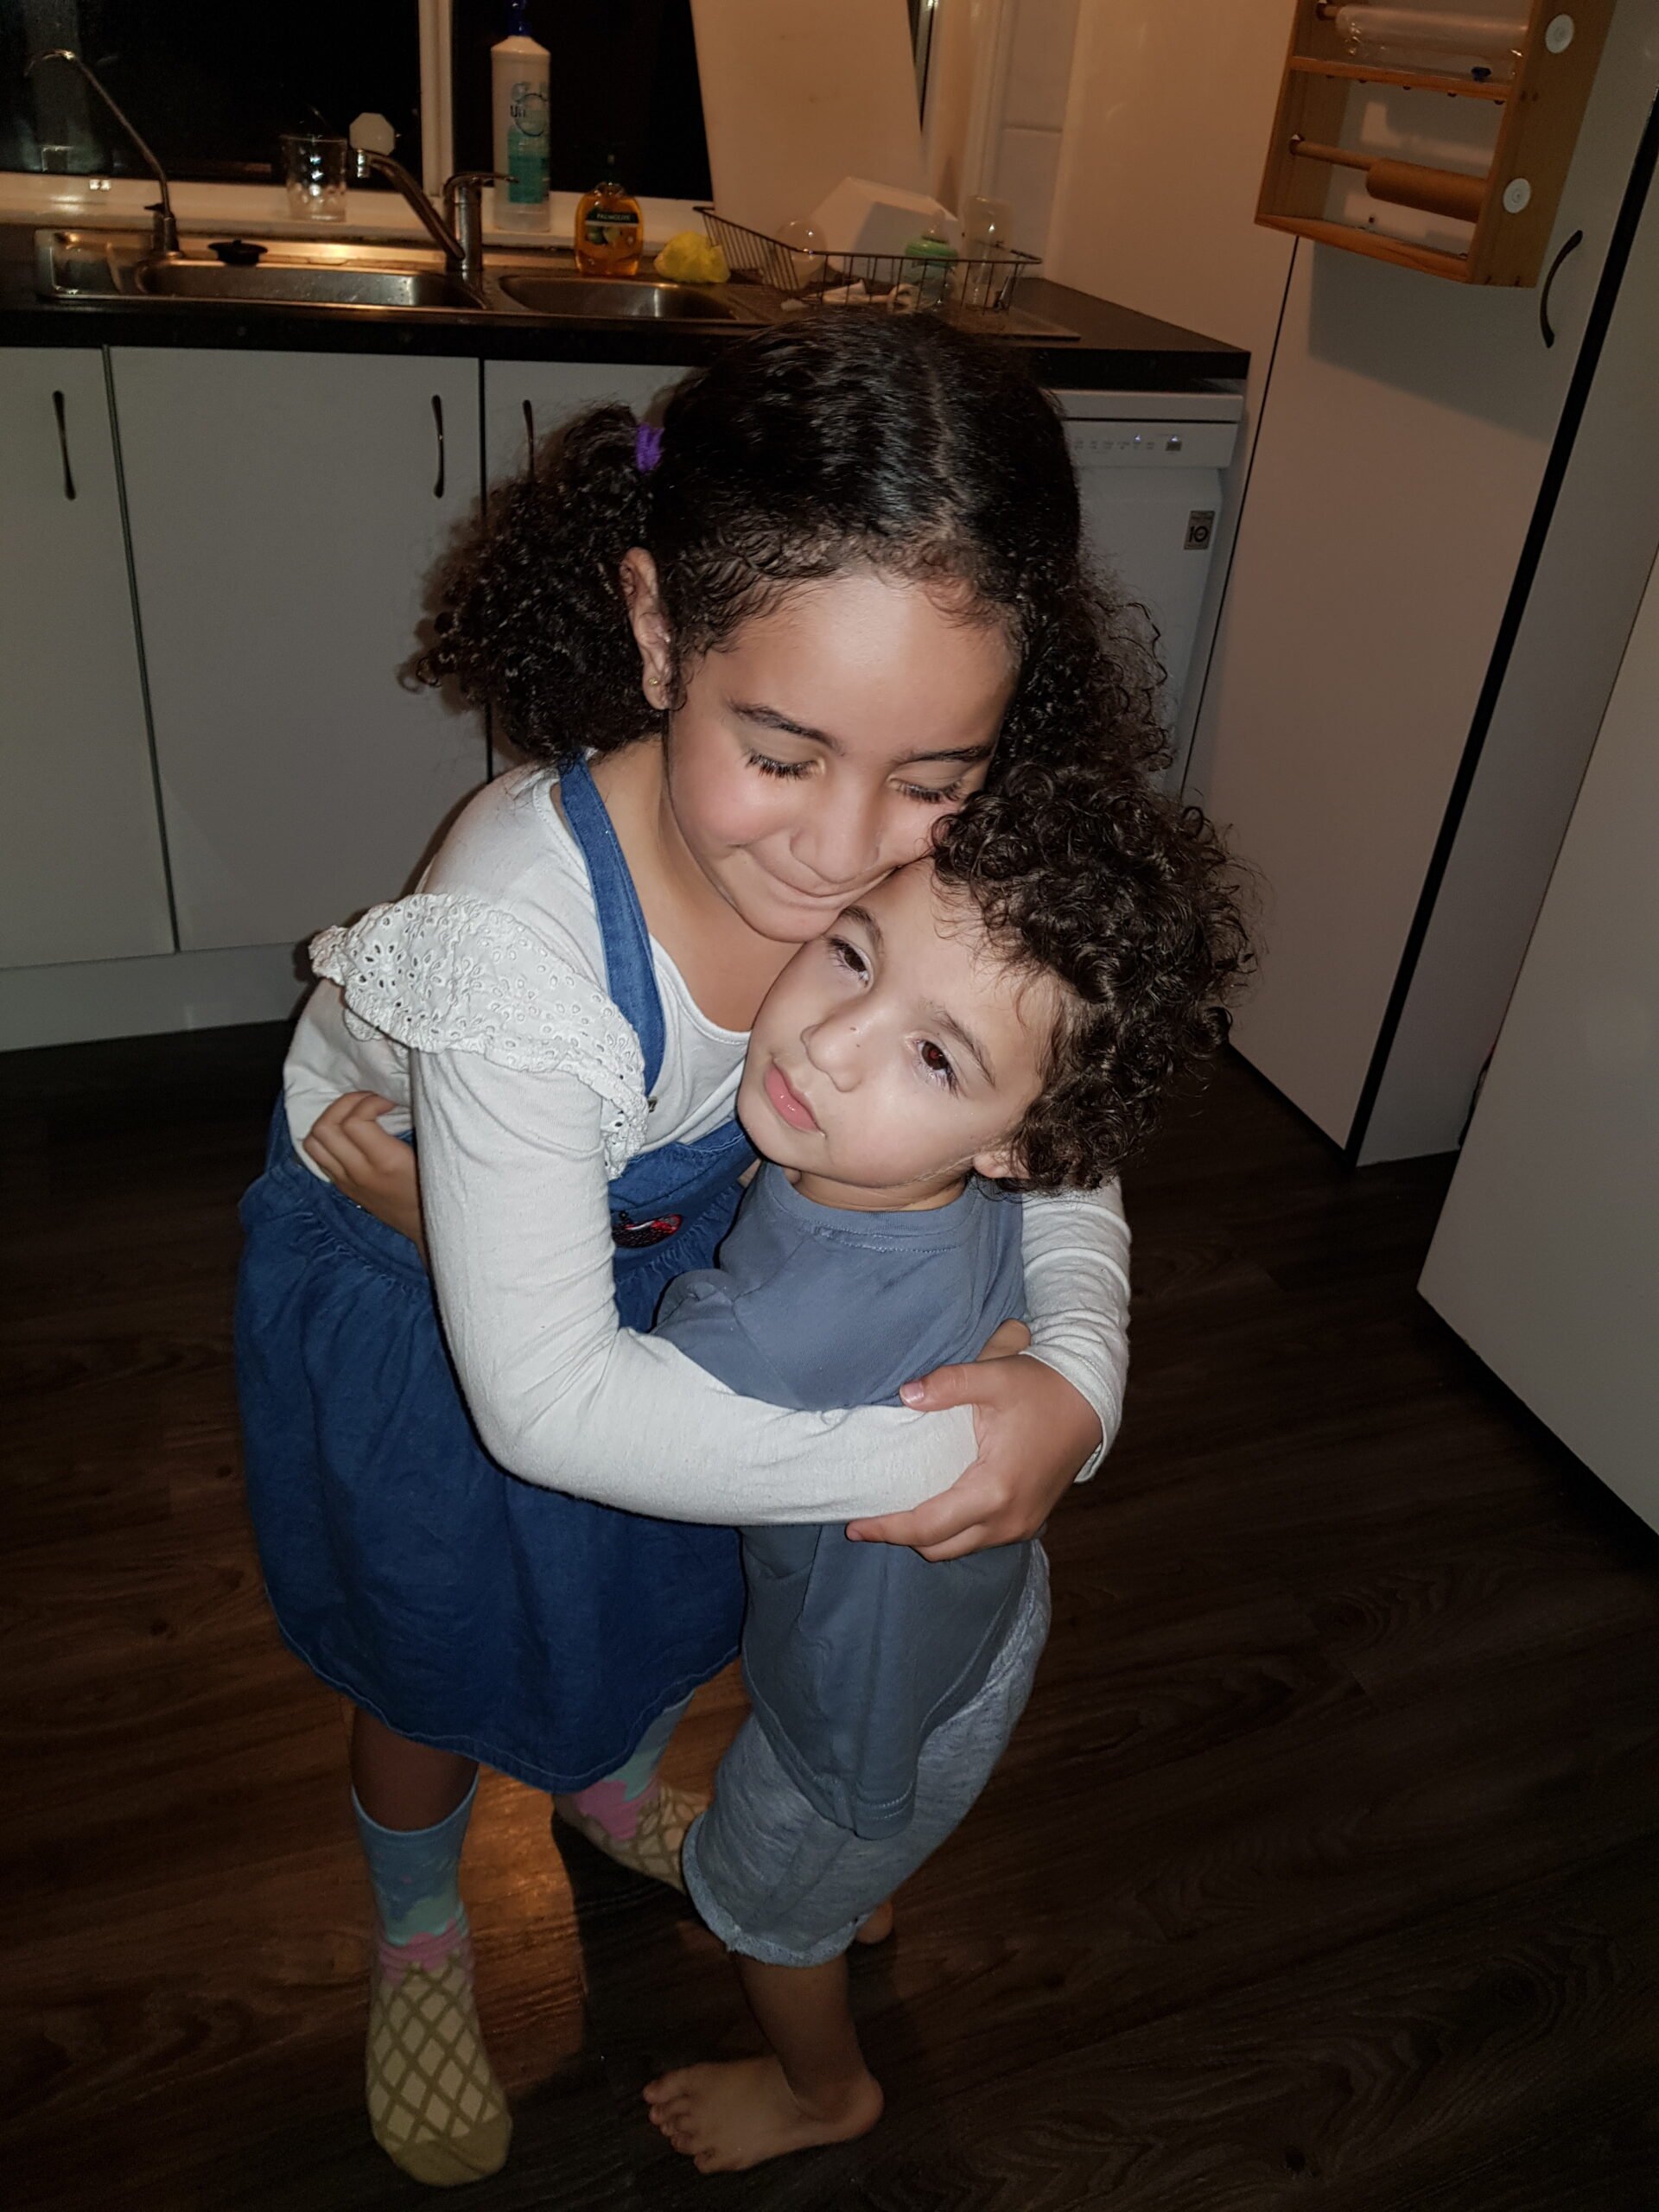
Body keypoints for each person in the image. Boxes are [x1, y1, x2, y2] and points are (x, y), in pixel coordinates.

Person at [236, 310, 1148, 2186]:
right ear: (659, 630)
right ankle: (421, 1922)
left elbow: (1059, 1123)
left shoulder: (921, 833)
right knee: (429, 1646)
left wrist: (1077, 1382)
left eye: (931, 778)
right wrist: (944, 1454)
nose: (846, 850)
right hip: (430, 1292)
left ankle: (586, 1769)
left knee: (636, 1598)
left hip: (657, 1258)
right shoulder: (522, 939)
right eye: (785, 750)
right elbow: (551, 1403)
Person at [639, 760, 1247, 2173]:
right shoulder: (950, 1180)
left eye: (935, 1056)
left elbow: (591, 1402)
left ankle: (822, 2092)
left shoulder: (767, 1336)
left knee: (757, 1901)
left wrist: (429, 1221)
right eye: (854, 952)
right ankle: (867, 1892)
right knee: (854, 1867)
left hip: (850, 1710)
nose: (836, 1041)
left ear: (1022, 1143)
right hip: (982, 1628)